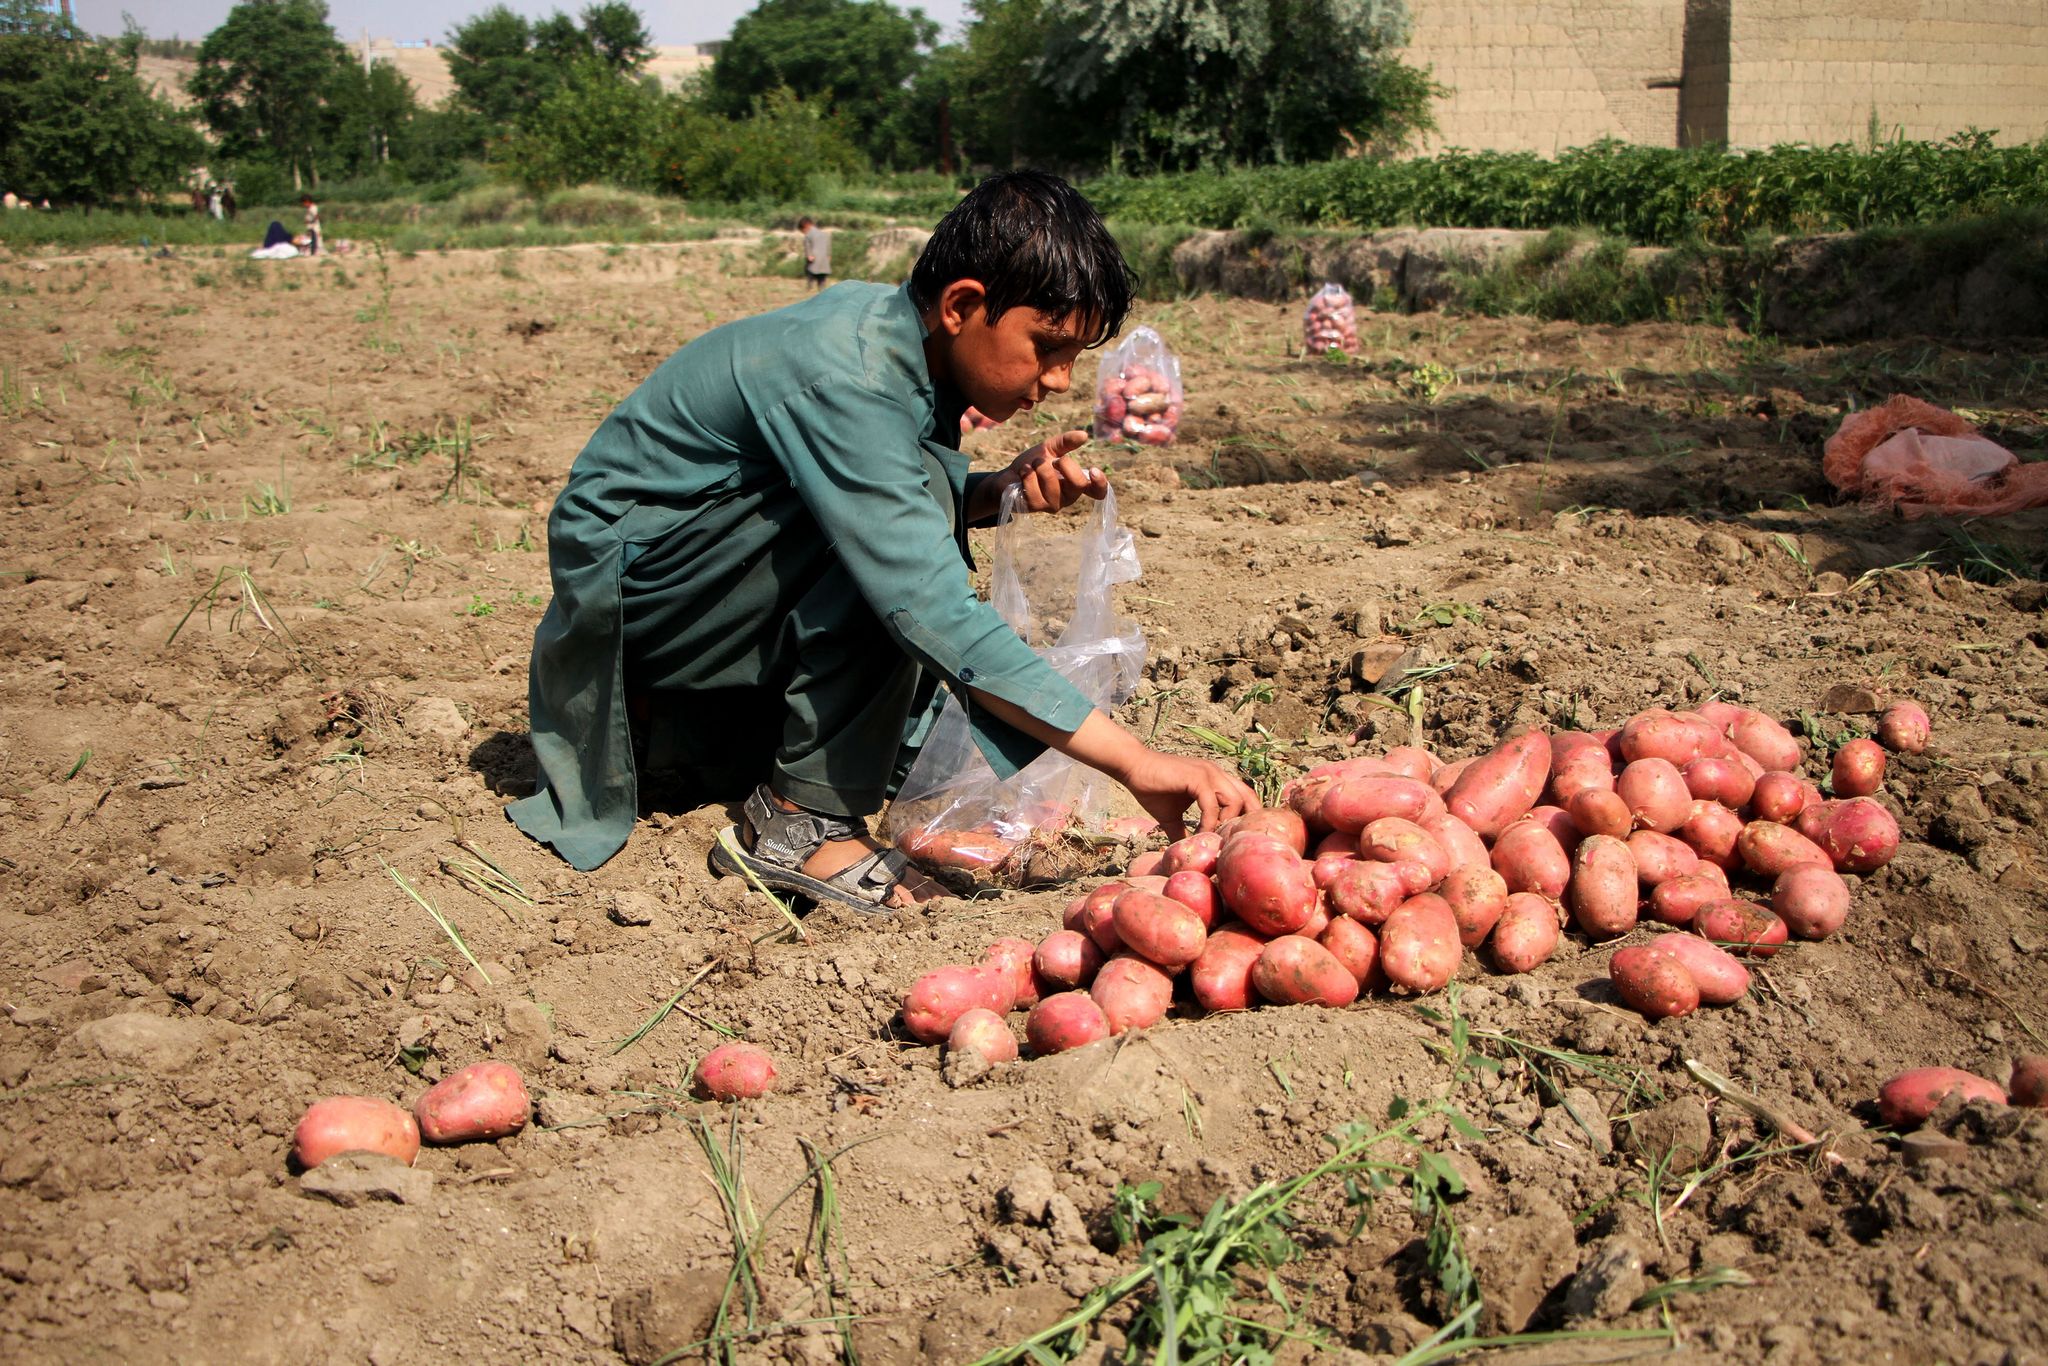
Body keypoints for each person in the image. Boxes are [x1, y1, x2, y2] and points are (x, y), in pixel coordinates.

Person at [510, 171, 1257, 904]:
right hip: (643, 612)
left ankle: (811, 759)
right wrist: (1138, 762)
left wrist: (994, 491)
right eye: (1048, 347)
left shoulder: (898, 337)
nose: (1060, 380)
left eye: (1074, 358)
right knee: (905, 556)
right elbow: (924, 598)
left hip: (692, 591)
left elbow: (879, 486)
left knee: (920, 511)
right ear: (964, 304)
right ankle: (801, 823)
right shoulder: (854, 376)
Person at [798, 215, 830, 291]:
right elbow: (828, 246)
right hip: (824, 259)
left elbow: (807, 247)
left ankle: (809, 287)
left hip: (814, 258)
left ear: (805, 226)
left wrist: (809, 255)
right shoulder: (824, 234)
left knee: (809, 271)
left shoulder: (808, 235)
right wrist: (828, 255)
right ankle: (821, 288)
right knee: (822, 276)